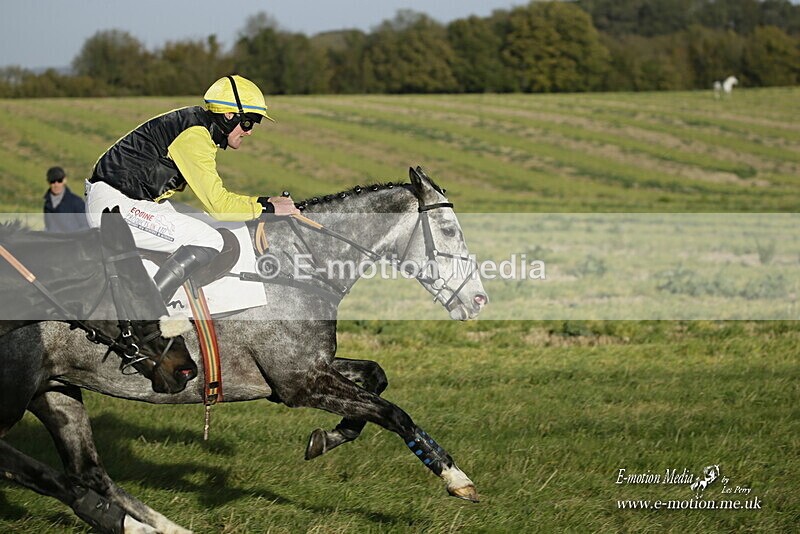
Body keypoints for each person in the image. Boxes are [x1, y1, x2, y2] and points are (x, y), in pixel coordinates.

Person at [84, 75, 299, 301]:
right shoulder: (195, 135)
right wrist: (267, 208)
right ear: (229, 115)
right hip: (116, 208)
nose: (250, 131)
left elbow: (218, 204)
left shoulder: (196, 124)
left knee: (210, 226)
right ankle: (149, 308)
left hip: (126, 200)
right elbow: (220, 206)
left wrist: (264, 202)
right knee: (209, 239)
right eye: (248, 122)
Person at [43, 166, 89, 233]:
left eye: (59, 180)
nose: (56, 184)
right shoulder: (47, 204)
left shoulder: (77, 202)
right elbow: (48, 227)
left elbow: (86, 227)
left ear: (65, 180)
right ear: (48, 182)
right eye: (52, 181)